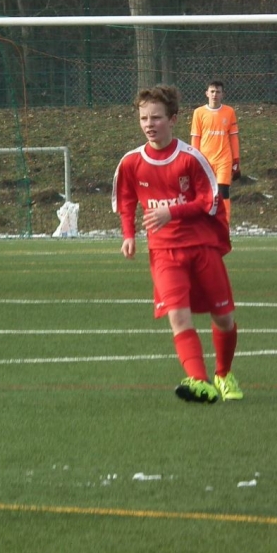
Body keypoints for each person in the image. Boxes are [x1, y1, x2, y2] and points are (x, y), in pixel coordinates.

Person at [113, 85, 241, 403]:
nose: (149, 124)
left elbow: (210, 200)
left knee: (223, 318)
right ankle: (198, 381)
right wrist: (128, 234)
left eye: (156, 117)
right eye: (144, 118)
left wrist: (172, 211)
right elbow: (126, 199)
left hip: (202, 248)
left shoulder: (191, 159)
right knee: (178, 317)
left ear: (172, 119)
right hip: (164, 252)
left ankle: (223, 374)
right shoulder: (131, 162)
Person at [190, 80, 241, 224]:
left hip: (224, 159)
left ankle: (224, 224)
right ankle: (206, 224)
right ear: (206, 93)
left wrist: (236, 159)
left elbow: (233, 137)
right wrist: (195, 159)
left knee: (223, 191)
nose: (214, 94)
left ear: (223, 94)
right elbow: (196, 138)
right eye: (212, 91)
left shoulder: (229, 112)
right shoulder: (199, 113)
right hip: (205, 160)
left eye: (218, 92)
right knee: (205, 194)